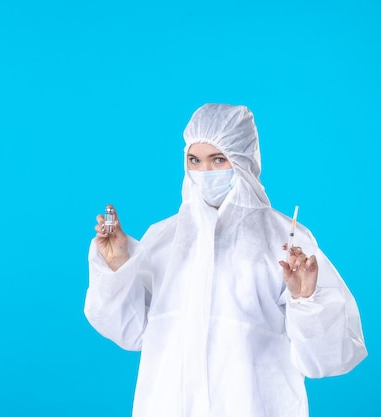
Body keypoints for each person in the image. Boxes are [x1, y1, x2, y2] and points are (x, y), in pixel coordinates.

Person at [84, 104, 367, 417]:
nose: (204, 173)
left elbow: (326, 358)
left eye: (218, 159)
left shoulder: (286, 241)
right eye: (195, 160)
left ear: (243, 160)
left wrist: (306, 301)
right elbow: (131, 332)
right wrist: (119, 265)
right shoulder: (164, 238)